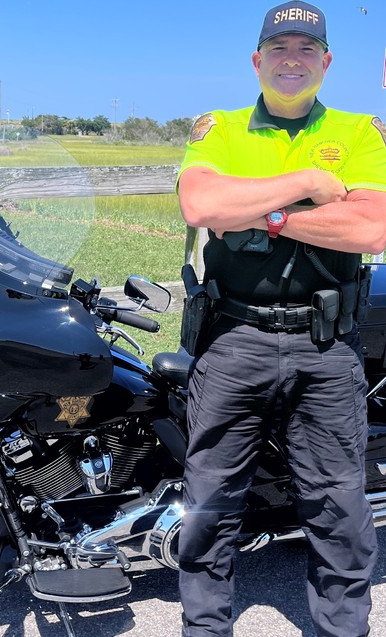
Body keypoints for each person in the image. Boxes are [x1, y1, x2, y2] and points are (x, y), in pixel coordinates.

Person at [176, 2, 386, 636]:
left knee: (338, 506)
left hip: (327, 348)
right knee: (210, 502)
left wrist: (265, 215)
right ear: (257, 59)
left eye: (305, 49)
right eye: (279, 48)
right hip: (232, 339)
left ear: (326, 61)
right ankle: (205, 628)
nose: (291, 60)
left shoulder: (359, 131)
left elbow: (371, 226)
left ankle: (342, 629)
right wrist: (309, 182)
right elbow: (201, 203)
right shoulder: (220, 128)